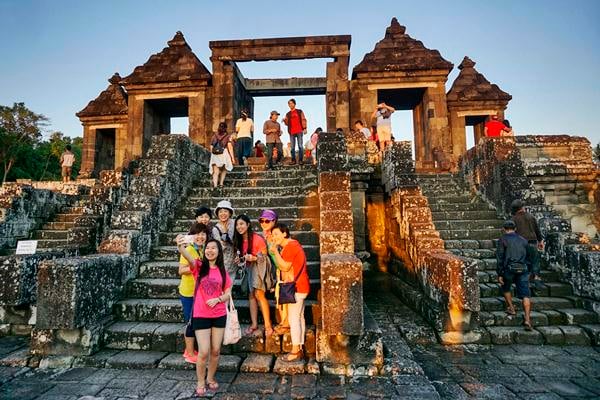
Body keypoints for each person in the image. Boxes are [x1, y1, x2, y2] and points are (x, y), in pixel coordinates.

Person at [176, 237, 232, 397]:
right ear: (204, 251)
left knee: (216, 350)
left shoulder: (223, 272)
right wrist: (180, 246)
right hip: (201, 314)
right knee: (203, 352)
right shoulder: (199, 267)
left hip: (219, 314)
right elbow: (186, 255)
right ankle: (200, 381)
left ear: (218, 252)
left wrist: (218, 299)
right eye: (207, 248)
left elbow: (228, 293)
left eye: (213, 248)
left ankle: (210, 377)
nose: (210, 250)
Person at [267, 223, 310, 361]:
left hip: (296, 288)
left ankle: (295, 351)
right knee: (299, 317)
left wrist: (275, 252)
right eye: (273, 235)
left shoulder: (290, 246)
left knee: (293, 319)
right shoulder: (293, 245)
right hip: (301, 286)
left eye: (277, 234)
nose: (274, 237)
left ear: (285, 234)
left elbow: (284, 267)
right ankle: (300, 347)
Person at [233, 215, 273, 337]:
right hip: (249, 268)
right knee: (251, 295)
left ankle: (268, 325)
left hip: (259, 268)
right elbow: (242, 257)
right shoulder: (239, 240)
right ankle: (254, 324)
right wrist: (239, 260)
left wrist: (254, 258)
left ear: (248, 224)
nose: (239, 227)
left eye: (242, 224)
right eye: (237, 225)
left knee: (259, 294)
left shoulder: (257, 238)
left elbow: (265, 257)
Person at [177, 222, 210, 364]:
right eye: (198, 233)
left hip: (200, 293)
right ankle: (189, 352)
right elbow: (181, 270)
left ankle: (192, 350)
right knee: (190, 322)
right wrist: (195, 268)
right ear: (192, 236)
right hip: (189, 292)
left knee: (196, 321)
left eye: (203, 234)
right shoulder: (189, 250)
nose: (200, 236)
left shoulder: (204, 250)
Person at [497, 220, 533, 331]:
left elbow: (500, 257)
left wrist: (500, 273)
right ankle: (527, 319)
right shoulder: (523, 240)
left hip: (509, 268)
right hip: (523, 268)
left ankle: (511, 308)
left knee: (506, 288)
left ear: (504, 229)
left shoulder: (503, 240)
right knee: (525, 294)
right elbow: (529, 255)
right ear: (515, 228)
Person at [258, 209, 289, 333]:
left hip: (283, 267)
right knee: (279, 295)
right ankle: (283, 322)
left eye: (267, 220)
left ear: (274, 221)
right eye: (262, 220)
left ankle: (285, 323)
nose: (264, 223)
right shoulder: (265, 234)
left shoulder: (276, 234)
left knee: (284, 295)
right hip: (275, 268)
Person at [511, 199, 544, 289]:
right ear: (522, 207)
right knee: (535, 261)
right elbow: (537, 230)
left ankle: (525, 280)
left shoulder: (514, 219)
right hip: (532, 242)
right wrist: (540, 241)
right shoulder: (530, 217)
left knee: (523, 261)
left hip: (520, 243)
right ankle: (536, 277)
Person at [212, 200, 236, 278]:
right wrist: (225, 235)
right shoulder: (216, 229)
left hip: (234, 261)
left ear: (230, 213)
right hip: (223, 262)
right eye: (220, 212)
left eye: (225, 211)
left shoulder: (235, 224)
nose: (223, 214)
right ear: (218, 214)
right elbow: (220, 247)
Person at [282, 98, 307, 165]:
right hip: (292, 131)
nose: (290, 105)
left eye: (291, 103)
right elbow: (287, 124)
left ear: (294, 104)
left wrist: (304, 128)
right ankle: (293, 160)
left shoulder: (299, 111)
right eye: (289, 104)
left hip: (299, 130)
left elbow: (303, 119)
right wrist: (285, 120)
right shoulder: (288, 114)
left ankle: (300, 160)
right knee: (292, 147)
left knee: (300, 146)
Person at [209, 122, 234, 188]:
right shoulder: (228, 136)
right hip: (224, 154)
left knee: (216, 171)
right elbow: (230, 147)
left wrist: (214, 153)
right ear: (225, 128)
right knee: (224, 169)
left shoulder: (214, 136)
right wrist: (232, 158)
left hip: (215, 154)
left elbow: (211, 146)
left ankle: (215, 186)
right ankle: (221, 184)